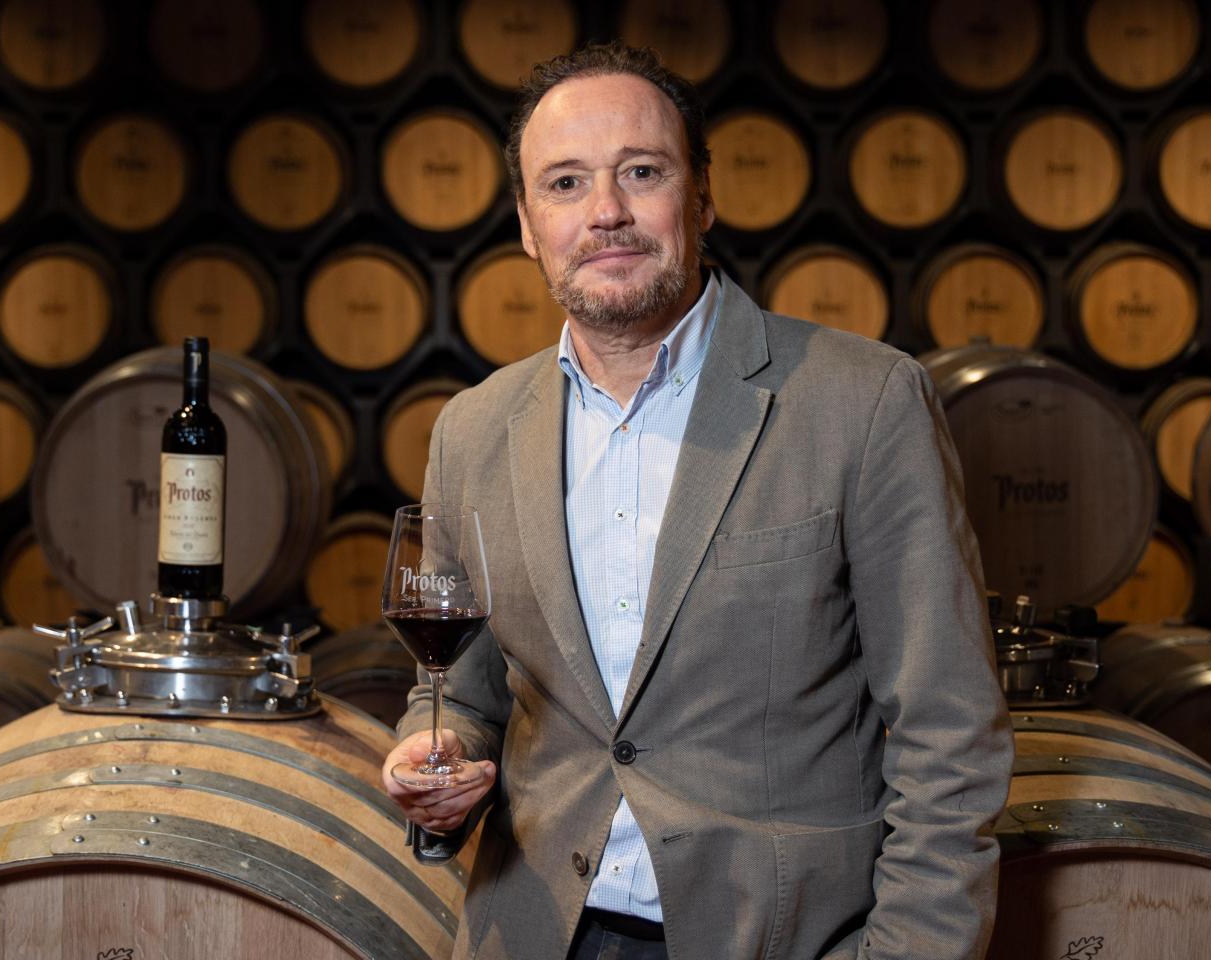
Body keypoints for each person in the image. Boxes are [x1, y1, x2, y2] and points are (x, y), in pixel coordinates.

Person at [382, 41, 1013, 960]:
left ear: (703, 196)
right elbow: (459, 695)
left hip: (782, 937)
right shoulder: (473, 430)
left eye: (642, 171)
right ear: (526, 224)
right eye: (564, 184)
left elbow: (949, 730)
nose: (606, 212)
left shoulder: (864, 401)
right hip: (536, 932)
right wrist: (428, 761)